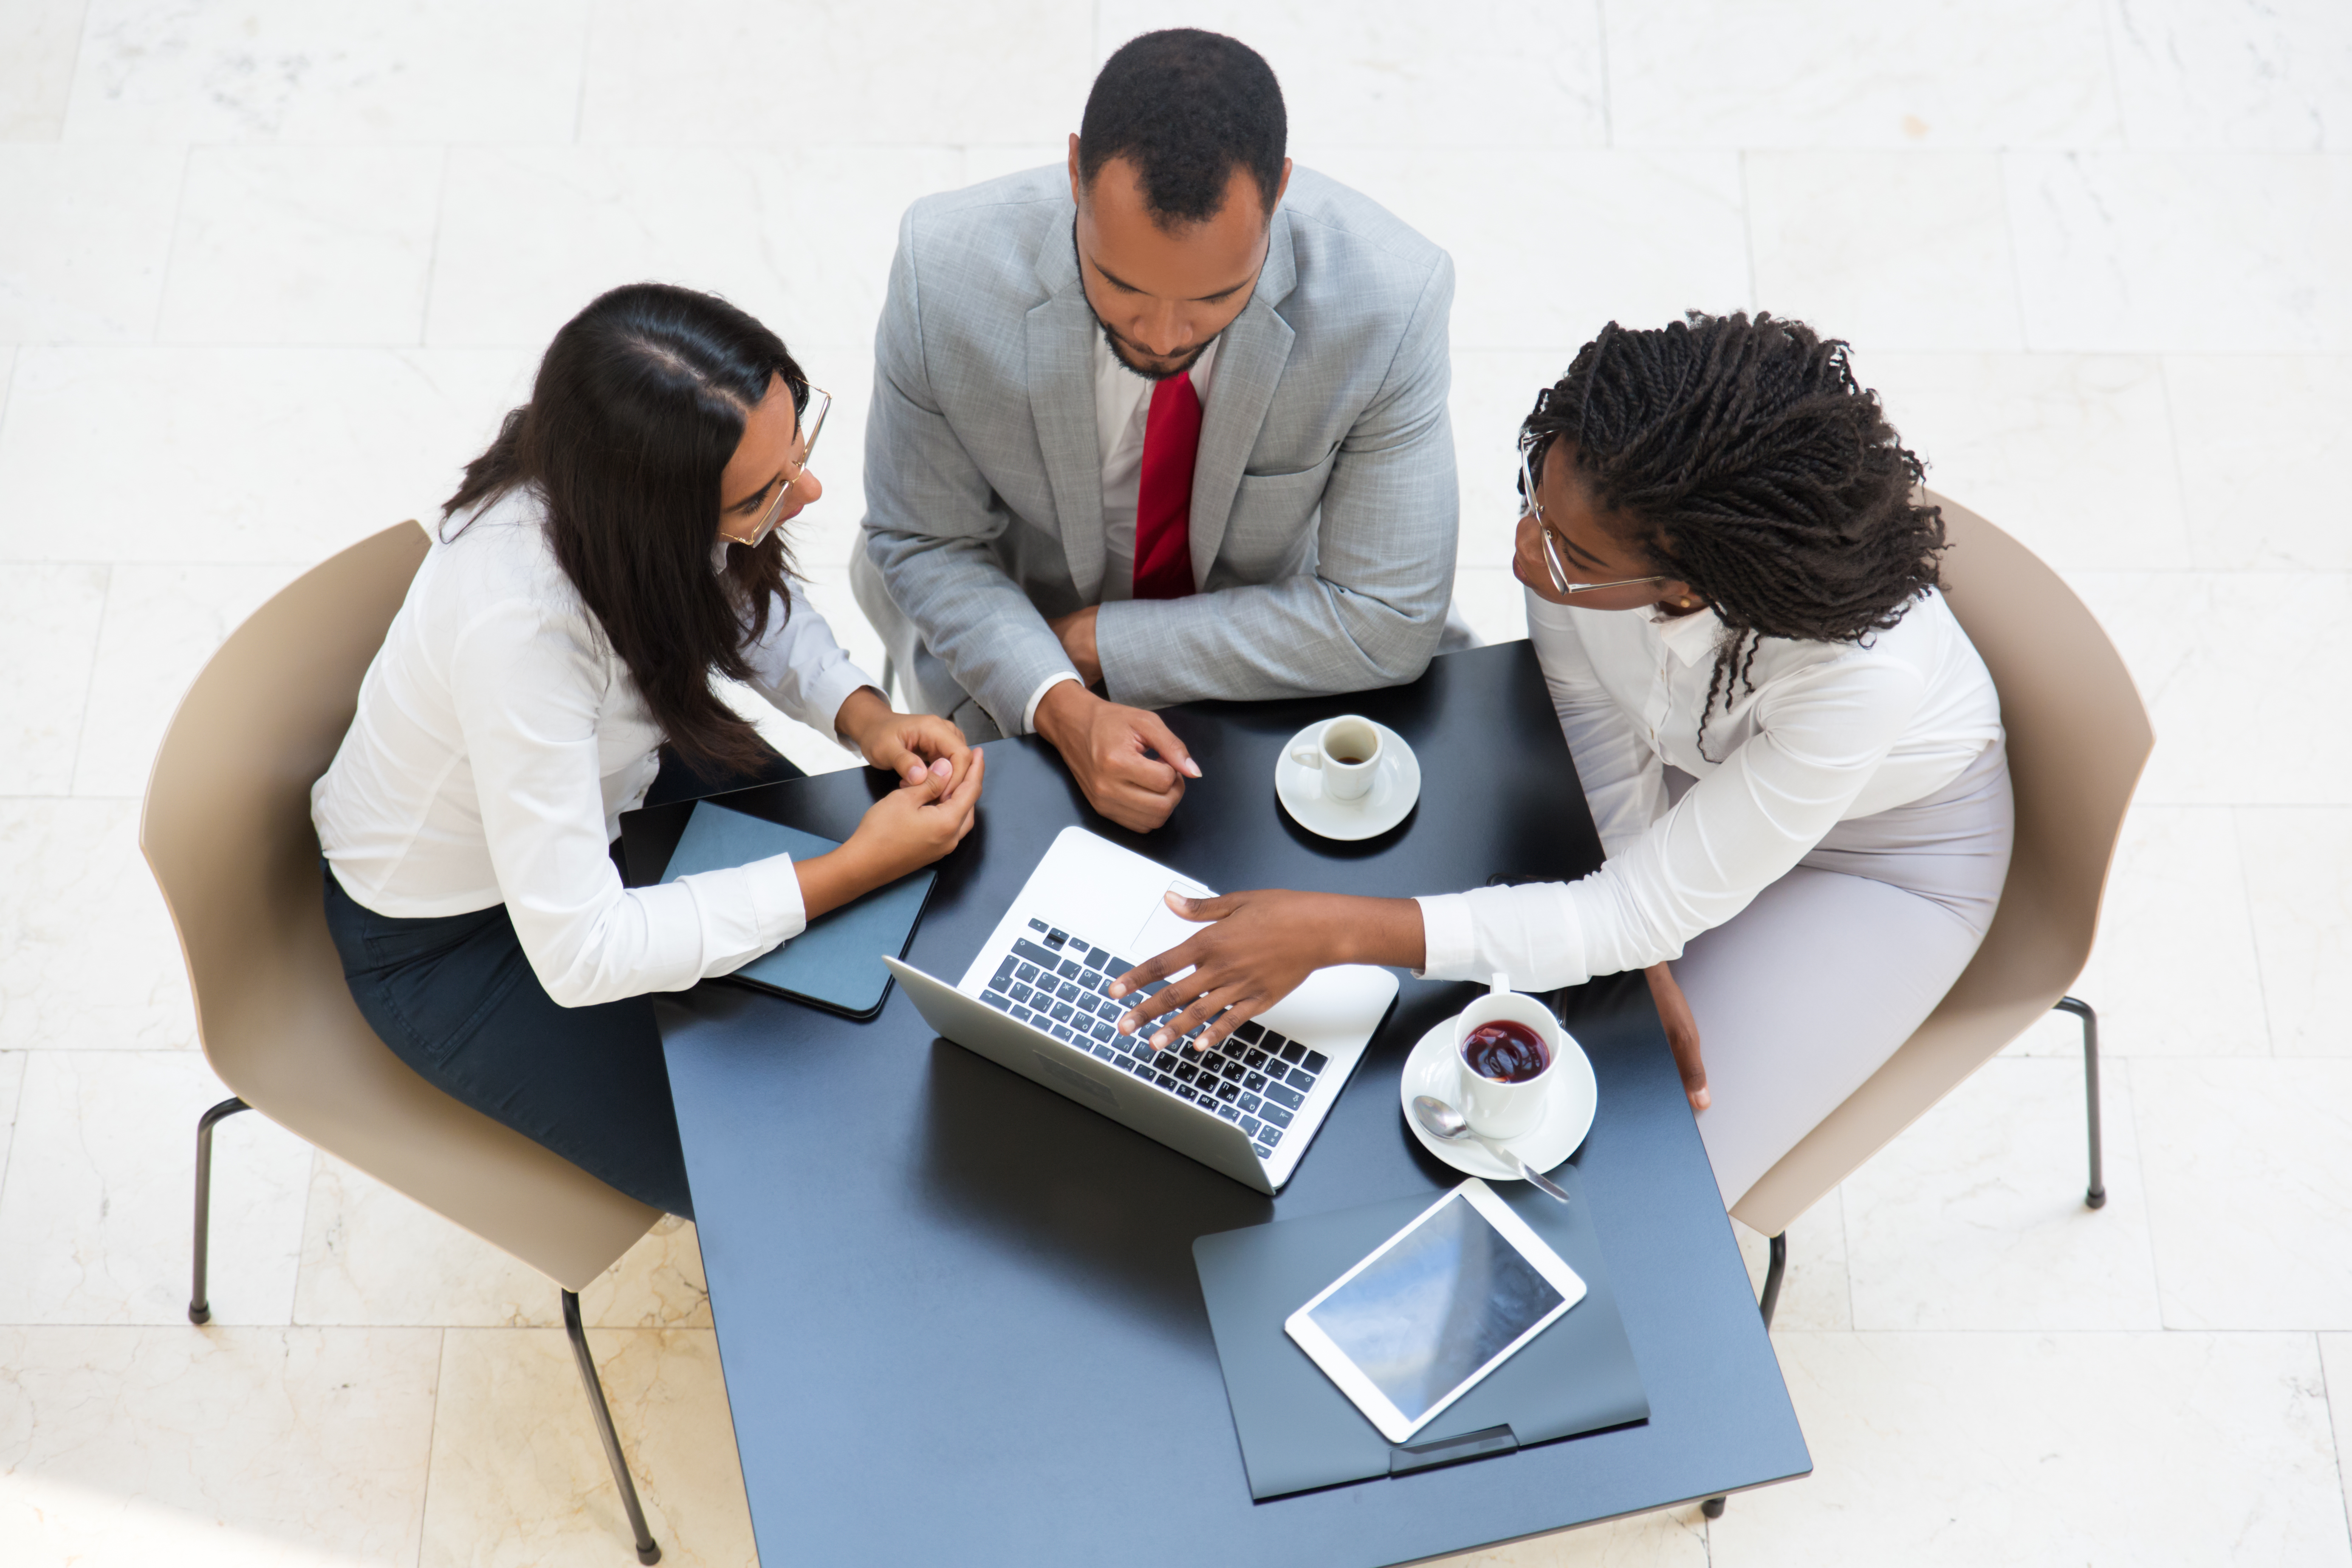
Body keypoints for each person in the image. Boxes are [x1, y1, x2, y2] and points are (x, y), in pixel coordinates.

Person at [1104, 313, 2013, 1211]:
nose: (1525, 551)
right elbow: (1588, 712)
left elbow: (1627, 909)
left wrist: (1340, 930)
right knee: (1535, 1044)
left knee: (1651, 1176)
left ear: (1694, 583)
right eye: (1535, 501)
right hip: (1696, 770)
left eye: (1572, 553)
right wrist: (1645, 935)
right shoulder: (1585, 522)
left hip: (1885, 857)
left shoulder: (1859, 677)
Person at [312, 283, 984, 1220]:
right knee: (781, 1174)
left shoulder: (609, 476)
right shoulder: (522, 631)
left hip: (612, 791)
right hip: (460, 937)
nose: (811, 493)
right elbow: (583, 951)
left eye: (800, 452)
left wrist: (862, 713)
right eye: (767, 493)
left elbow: (731, 592)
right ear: (654, 519)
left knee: (892, 992)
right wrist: (849, 868)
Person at [853, 27, 1462, 833]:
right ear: (1074, 173)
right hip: (1003, 639)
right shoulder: (943, 269)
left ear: (1279, 193)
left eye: (1215, 298)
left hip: (1255, 643)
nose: (1167, 335)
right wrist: (1058, 699)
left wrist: (1105, 643)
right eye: (1120, 285)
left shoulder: (1390, 300)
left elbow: (1388, 614)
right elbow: (923, 540)